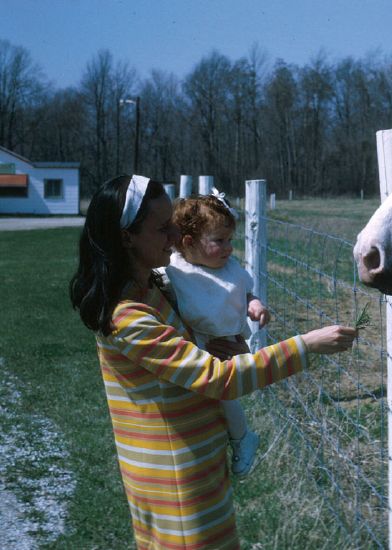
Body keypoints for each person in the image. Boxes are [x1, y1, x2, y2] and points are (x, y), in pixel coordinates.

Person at [70, 174, 356, 550]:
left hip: (197, 458)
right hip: (174, 477)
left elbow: (191, 356)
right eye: (162, 229)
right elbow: (218, 380)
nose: (175, 237)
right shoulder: (127, 315)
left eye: (172, 224)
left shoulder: (154, 287)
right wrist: (307, 345)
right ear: (127, 237)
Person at [162, 192, 266, 476]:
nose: (229, 249)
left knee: (224, 396)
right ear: (188, 243)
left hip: (224, 343)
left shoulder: (229, 268)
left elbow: (245, 292)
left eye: (230, 240)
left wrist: (254, 306)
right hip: (194, 341)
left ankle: (242, 437)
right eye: (219, 241)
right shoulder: (176, 270)